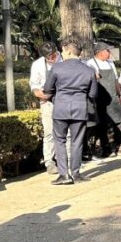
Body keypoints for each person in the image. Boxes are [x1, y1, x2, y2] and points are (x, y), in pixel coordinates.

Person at [44, 40, 98, 185]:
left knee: (59, 141)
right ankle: (76, 173)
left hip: (60, 108)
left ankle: (64, 175)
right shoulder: (89, 70)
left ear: (68, 52)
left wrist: (56, 99)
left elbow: (47, 89)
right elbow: (93, 94)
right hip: (80, 109)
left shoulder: (56, 68)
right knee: (77, 142)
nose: (61, 53)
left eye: (62, 51)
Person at [87, 42, 121, 158]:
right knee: (103, 125)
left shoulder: (110, 63)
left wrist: (120, 95)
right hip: (100, 100)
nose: (110, 53)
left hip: (113, 98)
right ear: (100, 53)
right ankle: (106, 149)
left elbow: (116, 81)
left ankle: (120, 146)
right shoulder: (90, 64)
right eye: (108, 51)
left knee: (120, 122)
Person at [30, 42, 62, 174]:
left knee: (67, 132)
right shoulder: (37, 65)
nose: (52, 58)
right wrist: (39, 94)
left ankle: (65, 160)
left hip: (64, 98)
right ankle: (49, 162)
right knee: (49, 132)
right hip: (47, 101)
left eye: (54, 55)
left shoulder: (64, 60)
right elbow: (34, 84)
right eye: (49, 57)